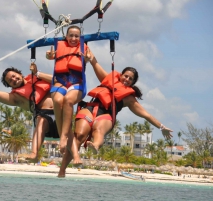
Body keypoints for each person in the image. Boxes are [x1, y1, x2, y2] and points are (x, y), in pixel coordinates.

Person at [58, 49, 173, 177]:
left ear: (132, 83)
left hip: (106, 115)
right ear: (120, 75)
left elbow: (146, 115)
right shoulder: (109, 79)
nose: (127, 79)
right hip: (91, 108)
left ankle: (95, 146)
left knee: (98, 131)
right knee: (78, 135)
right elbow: (94, 62)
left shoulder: (129, 98)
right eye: (126, 76)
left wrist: (162, 127)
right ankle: (62, 171)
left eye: (130, 79)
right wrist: (87, 52)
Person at [0, 60, 59, 160]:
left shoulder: (37, 77)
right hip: (45, 117)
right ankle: (34, 153)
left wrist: (37, 73)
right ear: (10, 86)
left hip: (60, 112)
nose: (14, 79)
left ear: (20, 74)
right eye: (10, 81)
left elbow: (57, 80)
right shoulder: (16, 97)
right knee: (41, 121)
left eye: (14, 76)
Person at [46, 25, 89, 164]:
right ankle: (64, 137)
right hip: (60, 81)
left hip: (77, 82)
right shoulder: (58, 47)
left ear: (80, 37)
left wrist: (87, 59)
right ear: (66, 36)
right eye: (71, 35)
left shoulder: (84, 48)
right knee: (58, 101)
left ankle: (63, 136)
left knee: (68, 101)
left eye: (77, 36)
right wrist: (49, 56)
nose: (74, 38)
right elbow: (50, 56)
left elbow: (91, 60)